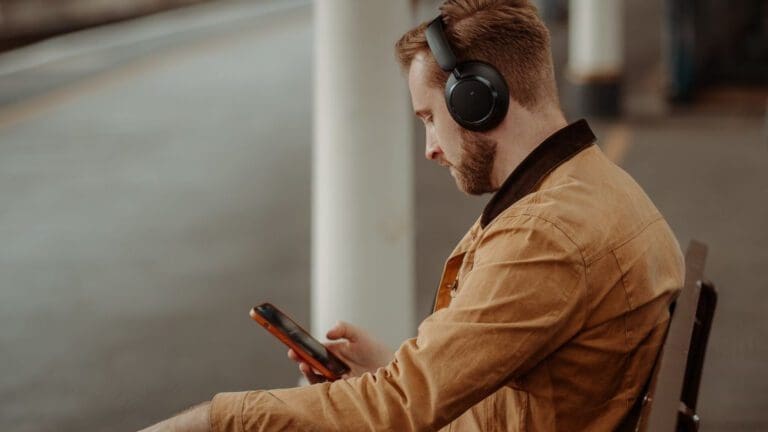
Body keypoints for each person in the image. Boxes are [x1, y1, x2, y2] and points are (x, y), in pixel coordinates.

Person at [140, 1, 684, 430]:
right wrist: (395, 369)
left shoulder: (547, 236)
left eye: (429, 117)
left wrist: (216, 419)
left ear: (478, 100)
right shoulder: (589, 183)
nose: (430, 147)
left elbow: (400, 413)